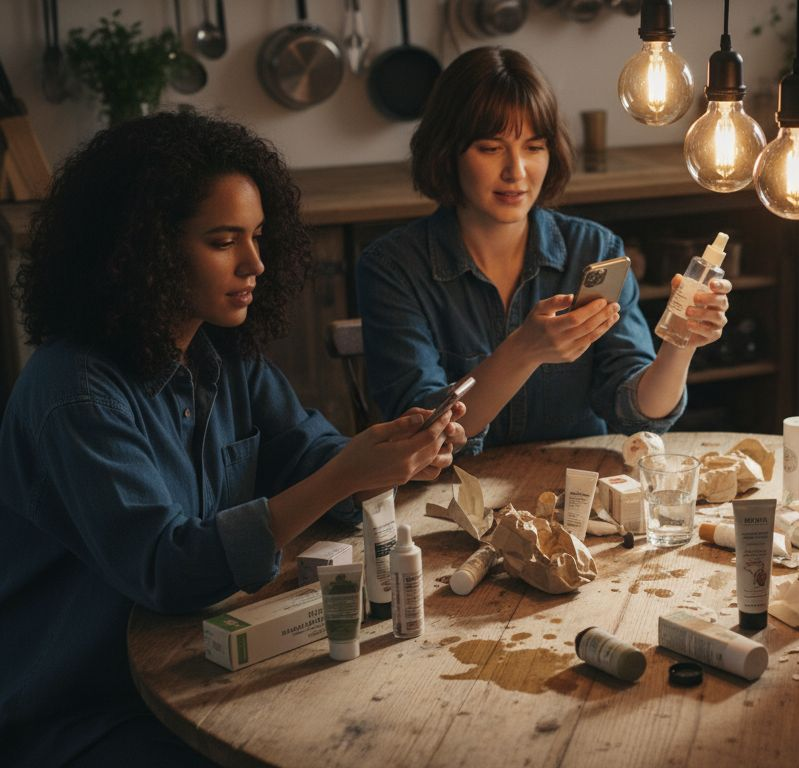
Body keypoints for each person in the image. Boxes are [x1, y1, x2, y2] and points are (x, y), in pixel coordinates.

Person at [0, 112, 466, 767]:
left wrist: (391, 459)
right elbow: (167, 569)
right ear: (144, 250)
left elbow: (310, 458)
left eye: (256, 236)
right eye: (224, 241)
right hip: (87, 712)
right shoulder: (75, 394)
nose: (255, 263)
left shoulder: (224, 357)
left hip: (207, 665)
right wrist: (345, 475)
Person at [357, 47, 732, 454]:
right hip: (446, 499)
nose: (516, 171)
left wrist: (682, 341)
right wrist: (522, 352)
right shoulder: (392, 268)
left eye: (534, 147)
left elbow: (638, 414)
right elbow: (421, 436)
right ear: (447, 152)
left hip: (572, 498)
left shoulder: (595, 249)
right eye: (490, 148)